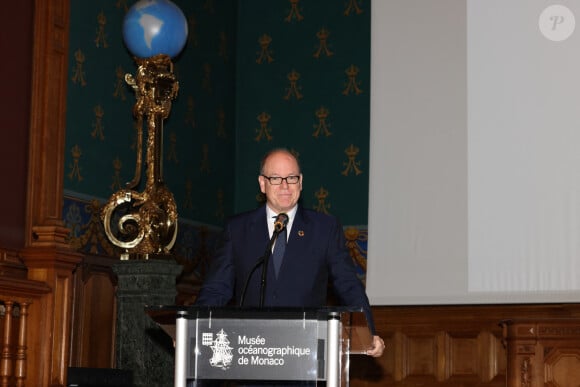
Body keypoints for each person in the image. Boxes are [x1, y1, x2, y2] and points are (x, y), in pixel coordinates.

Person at [195, 148, 385, 358]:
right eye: (275, 178)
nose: (285, 185)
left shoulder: (324, 228)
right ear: (262, 183)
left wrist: (368, 332)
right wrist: (192, 331)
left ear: (301, 182)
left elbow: (348, 285)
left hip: (304, 352)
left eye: (292, 178)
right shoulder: (237, 229)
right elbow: (216, 289)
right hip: (250, 351)